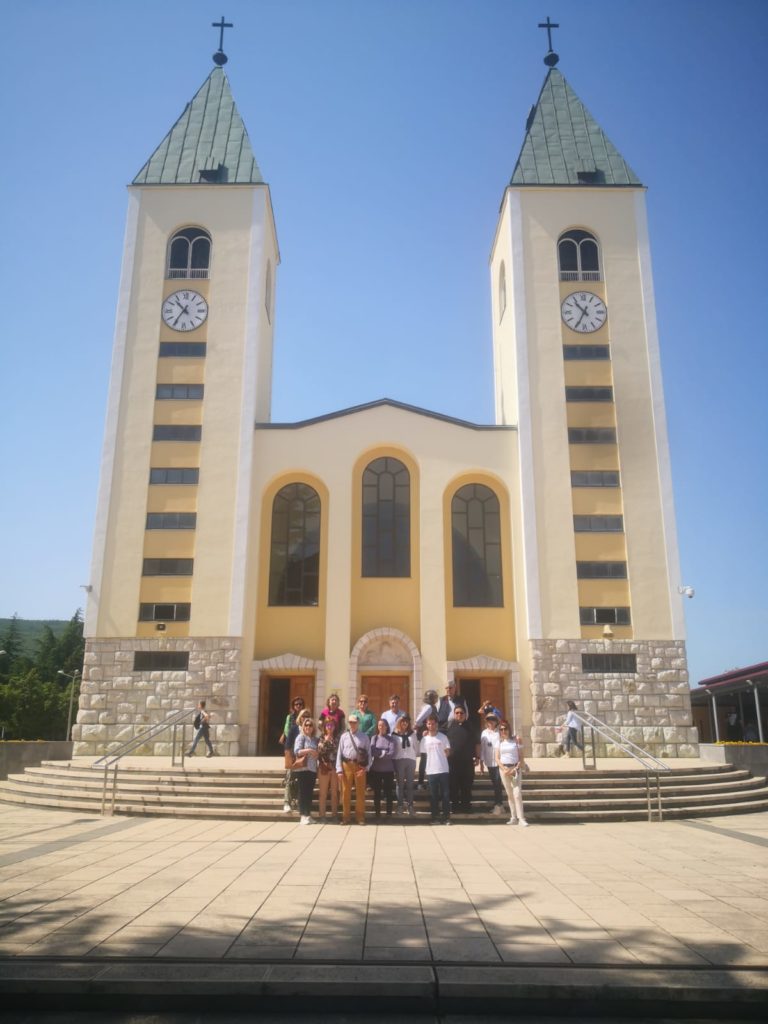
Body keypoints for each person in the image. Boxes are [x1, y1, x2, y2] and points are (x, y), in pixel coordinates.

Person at [336, 713, 371, 825]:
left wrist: (366, 768)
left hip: (359, 767)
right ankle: (346, 817)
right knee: (345, 792)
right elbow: (339, 753)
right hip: (346, 765)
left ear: (358, 723)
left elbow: (369, 754)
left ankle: (360, 817)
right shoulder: (344, 736)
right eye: (350, 722)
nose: (352, 724)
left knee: (360, 792)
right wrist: (339, 769)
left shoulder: (364, 737)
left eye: (354, 722)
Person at [496, 721, 529, 826]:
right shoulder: (499, 743)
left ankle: (521, 818)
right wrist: (504, 769)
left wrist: (516, 768)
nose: (503, 731)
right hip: (504, 770)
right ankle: (513, 817)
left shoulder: (515, 741)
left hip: (515, 769)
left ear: (509, 729)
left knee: (517, 793)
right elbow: (497, 758)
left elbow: (521, 756)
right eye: (501, 729)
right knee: (510, 794)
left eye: (505, 728)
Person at [421, 714, 451, 825]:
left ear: (436, 724)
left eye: (433, 723)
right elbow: (424, 756)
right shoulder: (424, 739)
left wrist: (444, 756)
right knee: (433, 796)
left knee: (445, 795)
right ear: (426, 725)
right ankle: (435, 818)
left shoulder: (443, 737)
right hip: (431, 770)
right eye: (429, 723)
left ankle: (446, 818)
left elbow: (448, 750)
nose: (431, 725)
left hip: (443, 769)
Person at [279, 696, 306, 811]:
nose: (298, 706)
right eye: (296, 704)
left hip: (303, 756)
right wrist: (289, 755)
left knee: (301, 780)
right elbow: (287, 735)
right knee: (290, 778)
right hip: (293, 754)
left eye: (300, 704)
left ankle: (299, 802)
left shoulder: (308, 725)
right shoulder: (291, 722)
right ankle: (287, 802)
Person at [446, 705, 475, 814]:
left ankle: (466, 806)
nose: (459, 715)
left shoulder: (470, 726)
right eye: (457, 713)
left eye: (461, 713)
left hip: (467, 761)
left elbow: (476, 742)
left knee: (467, 785)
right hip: (452, 762)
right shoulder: (449, 726)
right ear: (454, 714)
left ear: (465, 714)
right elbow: (437, 733)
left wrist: (477, 757)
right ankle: (455, 806)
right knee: (453, 785)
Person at [293, 716, 319, 825]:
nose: (308, 727)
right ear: (303, 727)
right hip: (303, 768)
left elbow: (317, 752)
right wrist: (309, 750)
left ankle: (308, 814)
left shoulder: (314, 739)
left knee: (309, 793)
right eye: (306, 725)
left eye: (310, 725)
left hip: (312, 769)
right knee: (303, 793)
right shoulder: (301, 737)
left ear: (313, 727)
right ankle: (302, 815)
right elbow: (297, 751)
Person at [369, 718, 396, 819]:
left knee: (388, 793)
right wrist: (384, 752)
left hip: (388, 770)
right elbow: (372, 751)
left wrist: (379, 753)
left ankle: (389, 813)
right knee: (377, 793)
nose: (381, 727)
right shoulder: (374, 738)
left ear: (387, 726)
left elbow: (391, 754)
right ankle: (377, 813)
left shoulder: (391, 739)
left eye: (383, 725)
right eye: (379, 725)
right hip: (376, 770)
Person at [392, 714, 419, 816]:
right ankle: (400, 806)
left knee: (410, 784)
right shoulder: (394, 735)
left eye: (406, 721)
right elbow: (393, 749)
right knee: (400, 784)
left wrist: (413, 756)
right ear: (399, 722)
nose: (405, 723)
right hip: (399, 760)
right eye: (403, 721)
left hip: (410, 760)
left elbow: (416, 747)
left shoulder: (412, 734)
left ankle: (410, 806)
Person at [479, 712, 504, 815]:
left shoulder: (500, 732)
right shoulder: (484, 733)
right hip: (489, 762)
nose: (491, 721)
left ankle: (498, 805)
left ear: (496, 720)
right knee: (495, 783)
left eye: (493, 719)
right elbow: (482, 749)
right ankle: (499, 805)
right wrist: (481, 763)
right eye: (489, 719)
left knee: (498, 783)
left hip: (500, 762)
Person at [316, 718, 340, 821]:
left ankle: (334, 815)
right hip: (324, 768)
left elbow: (339, 753)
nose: (330, 727)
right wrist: (326, 740)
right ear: (325, 727)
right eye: (328, 725)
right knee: (323, 793)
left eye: (332, 725)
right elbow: (320, 751)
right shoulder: (321, 738)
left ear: (335, 727)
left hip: (334, 768)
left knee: (334, 793)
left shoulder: (338, 739)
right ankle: (322, 815)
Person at [414, 689, 438, 789]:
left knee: (430, 759)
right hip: (426, 736)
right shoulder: (428, 707)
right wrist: (424, 729)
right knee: (424, 759)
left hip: (431, 735)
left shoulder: (432, 707)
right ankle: (420, 782)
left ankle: (428, 781)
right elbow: (418, 721)